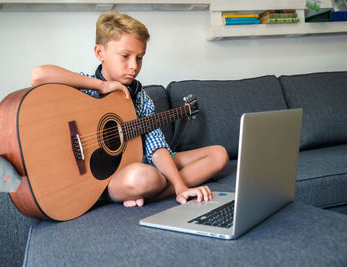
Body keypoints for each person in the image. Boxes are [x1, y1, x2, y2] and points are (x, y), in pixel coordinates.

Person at [30, 11, 229, 208]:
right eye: (125, 56)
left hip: (148, 161)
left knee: (219, 155)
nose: (134, 66)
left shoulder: (139, 95)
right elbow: (39, 76)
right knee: (143, 177)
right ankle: (149, 188)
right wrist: (101, 86)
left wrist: (180, 186)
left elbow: (156, 146)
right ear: (100, 53)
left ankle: (158, 195)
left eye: (140, 57)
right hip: (114, 177)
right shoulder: (87, 88)